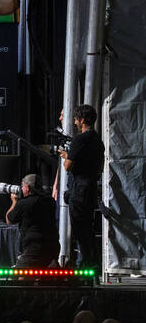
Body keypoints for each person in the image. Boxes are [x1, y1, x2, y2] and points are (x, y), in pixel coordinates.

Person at [56, 104, 104, 267]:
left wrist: (66, 156)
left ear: (82, 120)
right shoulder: (98, 140)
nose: (75, 123)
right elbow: (100, 167)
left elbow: (68, 166)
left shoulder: (79, 139)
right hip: (90, 189)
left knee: (79, 230)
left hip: (79, 190)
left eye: (76, 120)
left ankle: (85, 264)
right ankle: (94, 264)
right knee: (88, 228)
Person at [5, 174, 59, 268]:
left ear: (28, 188)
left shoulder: (24, 203)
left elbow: (9, 220)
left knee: (18, 278)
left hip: (34, 249)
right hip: (53, 247)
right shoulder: (50, 201)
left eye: (22, 186)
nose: (21, 188)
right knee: (45, 277)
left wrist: (14, 202)